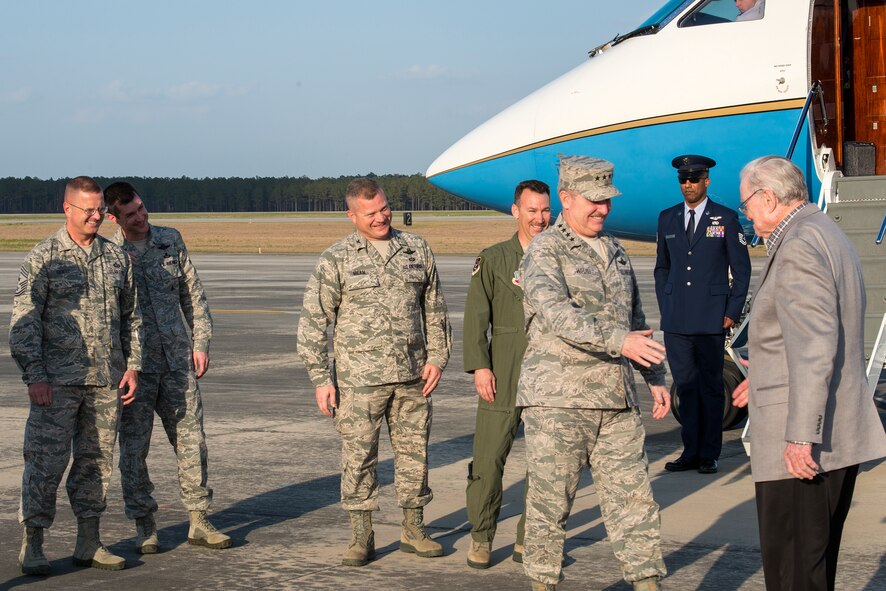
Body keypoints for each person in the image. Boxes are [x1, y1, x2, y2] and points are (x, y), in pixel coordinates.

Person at [731, 156, 886, 591]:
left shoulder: (798, 244)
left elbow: (816, 346)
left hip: (800, 446)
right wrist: (762, 376)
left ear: (768, 198)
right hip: (834, 431)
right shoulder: (826, 232)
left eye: (747, 205)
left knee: (794, 571)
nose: (746, 214)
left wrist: (801, 435)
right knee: (812, 568)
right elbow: (806, 336)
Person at [518, 156, 671, 591]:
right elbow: (556, 315)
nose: (602, 209)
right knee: (551, 505)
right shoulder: (545, 250)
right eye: (593, 200)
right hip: (559, 401)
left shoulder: (616, 250)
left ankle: (647, 583)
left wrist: (655, 376)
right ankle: (543, 584)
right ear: (565, 198)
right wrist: (619, 341)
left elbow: (635, 318)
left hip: (616, 400)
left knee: (634, 500)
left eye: (607, 200)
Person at [297, 178, 452, 567]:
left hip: (413, 377)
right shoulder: (337, 258)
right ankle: (361, 535)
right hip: (358, 381)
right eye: (371, 213)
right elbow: (314, 322)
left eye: (385, 208)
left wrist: (438, 358)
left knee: (415, 455)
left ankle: (414, 528)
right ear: (352, 216)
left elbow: (435, 310)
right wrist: (320, 379)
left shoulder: (416, 249)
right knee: (359, 458)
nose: (382, 217)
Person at [10, 176, 142, 574]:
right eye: (89, 210)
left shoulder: (115, 257)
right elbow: (24, 322)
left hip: (105, 380)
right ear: (67, 209)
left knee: (96, 462)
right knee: (45, 463)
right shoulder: (44, 257)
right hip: (56, 382)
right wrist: (35, 376)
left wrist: (132, 365)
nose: (98, 216)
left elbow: (131, 317)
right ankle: (33, 543)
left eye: (101, 209)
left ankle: (90, 540)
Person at [104, 182, 231, 553]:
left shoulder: (170, 240)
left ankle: (199, 519)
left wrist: (201, 342)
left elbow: (193, 294)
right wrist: (122, 366)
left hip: (178, 361)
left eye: (142, 209)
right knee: (134, 450)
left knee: (192, 442)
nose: (141, 218)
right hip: (135, 370)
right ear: (115, 218)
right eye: (131, 214)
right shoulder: (109, 253)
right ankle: (144, 524)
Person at [463, 179, 551, 569]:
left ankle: (528, 537)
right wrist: (481, 366)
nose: (539, 219)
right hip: (504, 369)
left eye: (545, 211)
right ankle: (481, 537)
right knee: (487, 459)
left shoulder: (564, 257)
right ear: (515, 211)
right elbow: (475, 318)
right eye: (531, 211)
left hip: (552, 374)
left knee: (547, 462)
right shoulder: (494, 258)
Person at [654, 155, 751, 475]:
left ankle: (709, 454)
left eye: (694, 180)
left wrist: (732, 311)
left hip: (712, 318)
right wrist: (666, 304)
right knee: (685, 386)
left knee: (710, 389)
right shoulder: (667, 218)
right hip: (677, 319)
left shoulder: (724, 218)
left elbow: (741, 268)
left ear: (706, 180)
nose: (688, 185)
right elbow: (662, 268)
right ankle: (690, 451)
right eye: (683, 180)